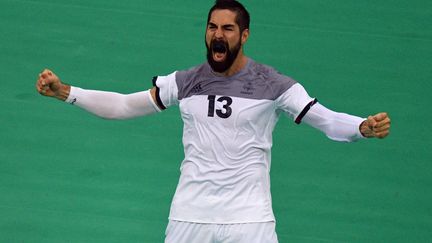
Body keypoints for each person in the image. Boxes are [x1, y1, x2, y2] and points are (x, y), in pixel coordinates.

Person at [36, 0, 391, 242]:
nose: (218, 34)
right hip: (189, 216)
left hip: (249, 221)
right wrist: (67, 91)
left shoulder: (274, 84)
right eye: (212, 27)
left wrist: (361, 127)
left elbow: (326, 120)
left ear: (244, 35)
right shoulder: (185, 82)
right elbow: (125, 106)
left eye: (227, 28)